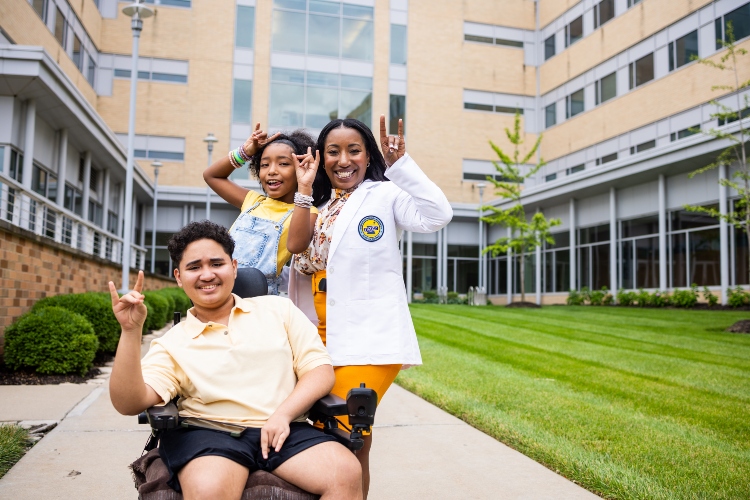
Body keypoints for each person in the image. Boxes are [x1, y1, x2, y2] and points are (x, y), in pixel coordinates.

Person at [108, 221, 362, 500]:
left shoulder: (279, 311)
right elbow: (128, 403)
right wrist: (130, 332)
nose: (207, 274)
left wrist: (283, 415)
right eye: (194, 267)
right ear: (179, 277)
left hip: (284, 427)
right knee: (209, 489)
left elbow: (320, 371)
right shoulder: (173, 343)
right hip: (208, 433)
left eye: (217, 263)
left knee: (345, 472)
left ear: (234, 266)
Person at [287, 115, 453, 497]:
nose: (343, 160)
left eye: (353, 150)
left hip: (369, 335)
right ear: (321, 157)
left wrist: (401, 167)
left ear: (368, 155)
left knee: (339, 428)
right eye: (333, 151)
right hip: (320, 334)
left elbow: (437, 215)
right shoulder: (321, 204)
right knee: (352, 435)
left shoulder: (385, 194)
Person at [204, 123, 319, 295]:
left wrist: (304, 187)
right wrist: (245, 152)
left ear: (300, 168)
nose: (271, 171)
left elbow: (296, 246)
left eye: (283, 164)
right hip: (221, 291)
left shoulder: (306, 211)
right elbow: (211, 176)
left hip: (259, 301)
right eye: (265, 165)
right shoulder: (253, 201)